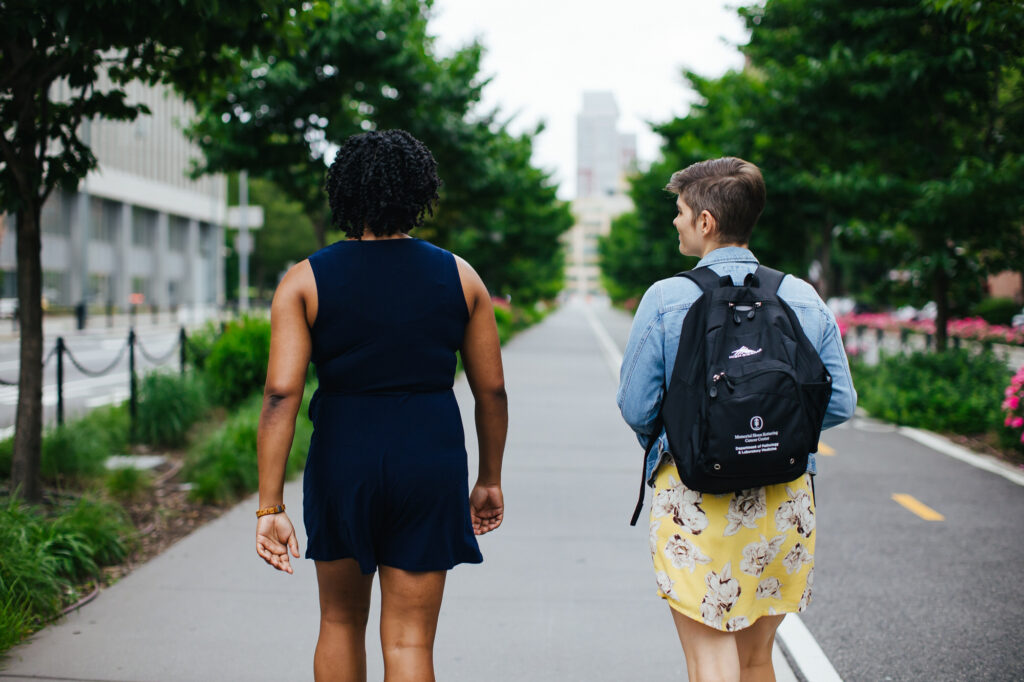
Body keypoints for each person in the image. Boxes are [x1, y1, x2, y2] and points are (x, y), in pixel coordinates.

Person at [254, 129, 508, 682]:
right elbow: (491, 391)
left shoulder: (304, 280)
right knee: (411, 640)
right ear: (419, 192)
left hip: (344, 453)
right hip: (430, 454)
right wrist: (489, 478)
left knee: (339, 621)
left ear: (342, 192)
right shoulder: (460, 276)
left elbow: (281, 395)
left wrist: (269, 506)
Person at [616, 158, 856, 682]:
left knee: (710, 658)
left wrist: (687, 438)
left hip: (697, 496)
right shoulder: (801, 297)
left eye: (679, 212)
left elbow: (636, 405)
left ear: (705, 221)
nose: (674, 222)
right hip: (783, 498)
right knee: (755, 659)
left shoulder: (666, 299)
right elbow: (839, 403)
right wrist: (773, 438)